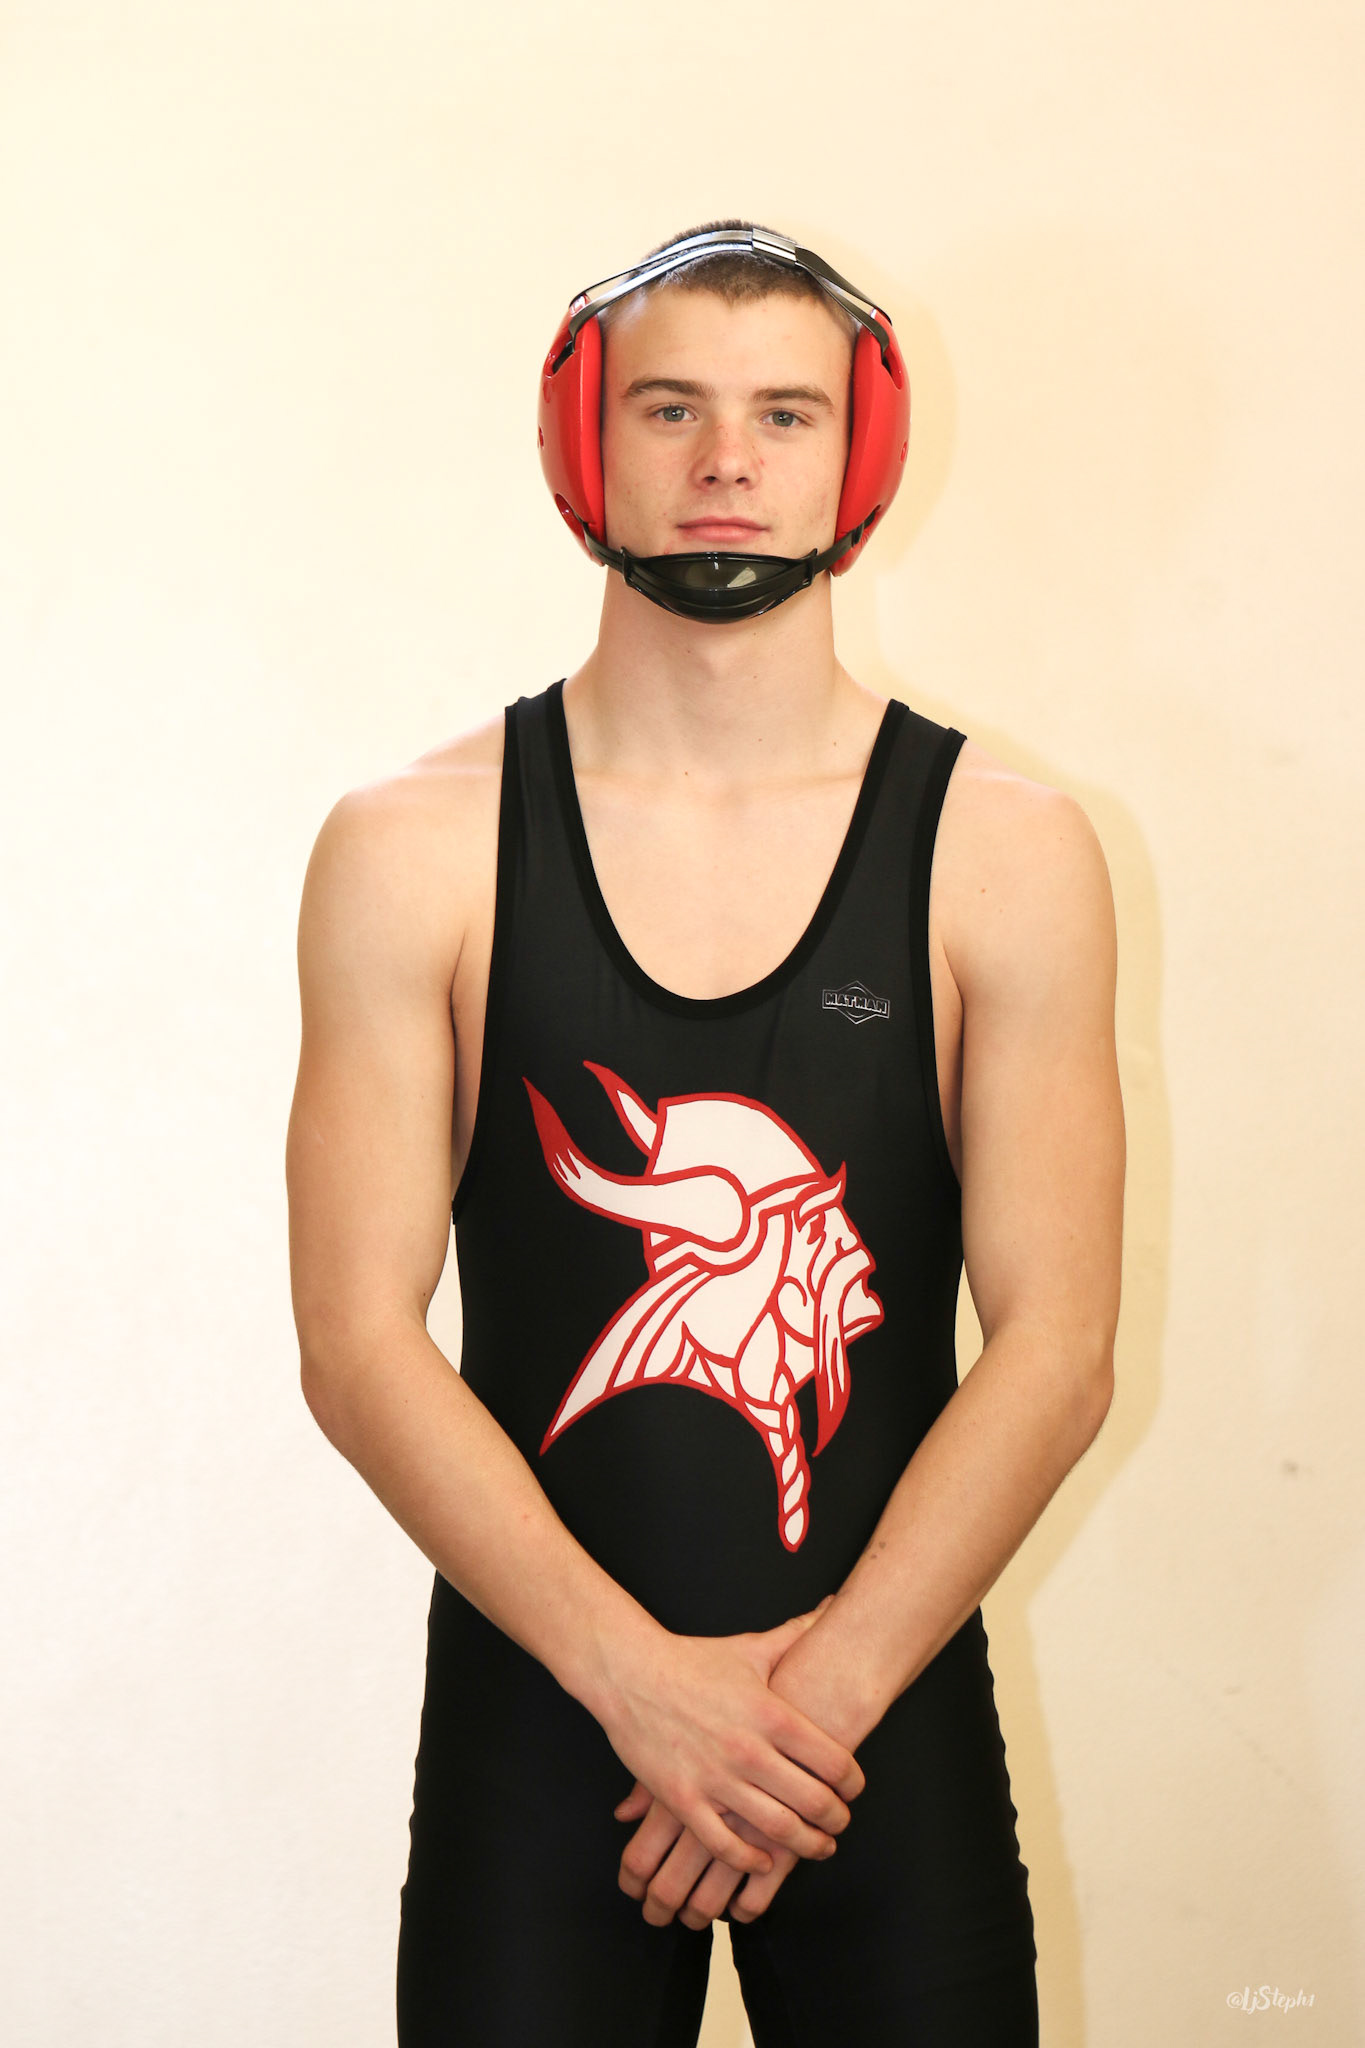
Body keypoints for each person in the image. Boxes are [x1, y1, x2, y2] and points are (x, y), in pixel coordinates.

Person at [285, 221, 1125, 2047]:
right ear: (582, 443)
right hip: (543, 1718)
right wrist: (637, 1687)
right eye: (669, 408)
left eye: (783, 413)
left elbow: (1056, 1347)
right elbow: (353, 1341)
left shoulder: (1006, 849)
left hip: (875, 1716)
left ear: (859, 453)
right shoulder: (412, 847)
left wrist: (800, 1710)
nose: (727, 459)